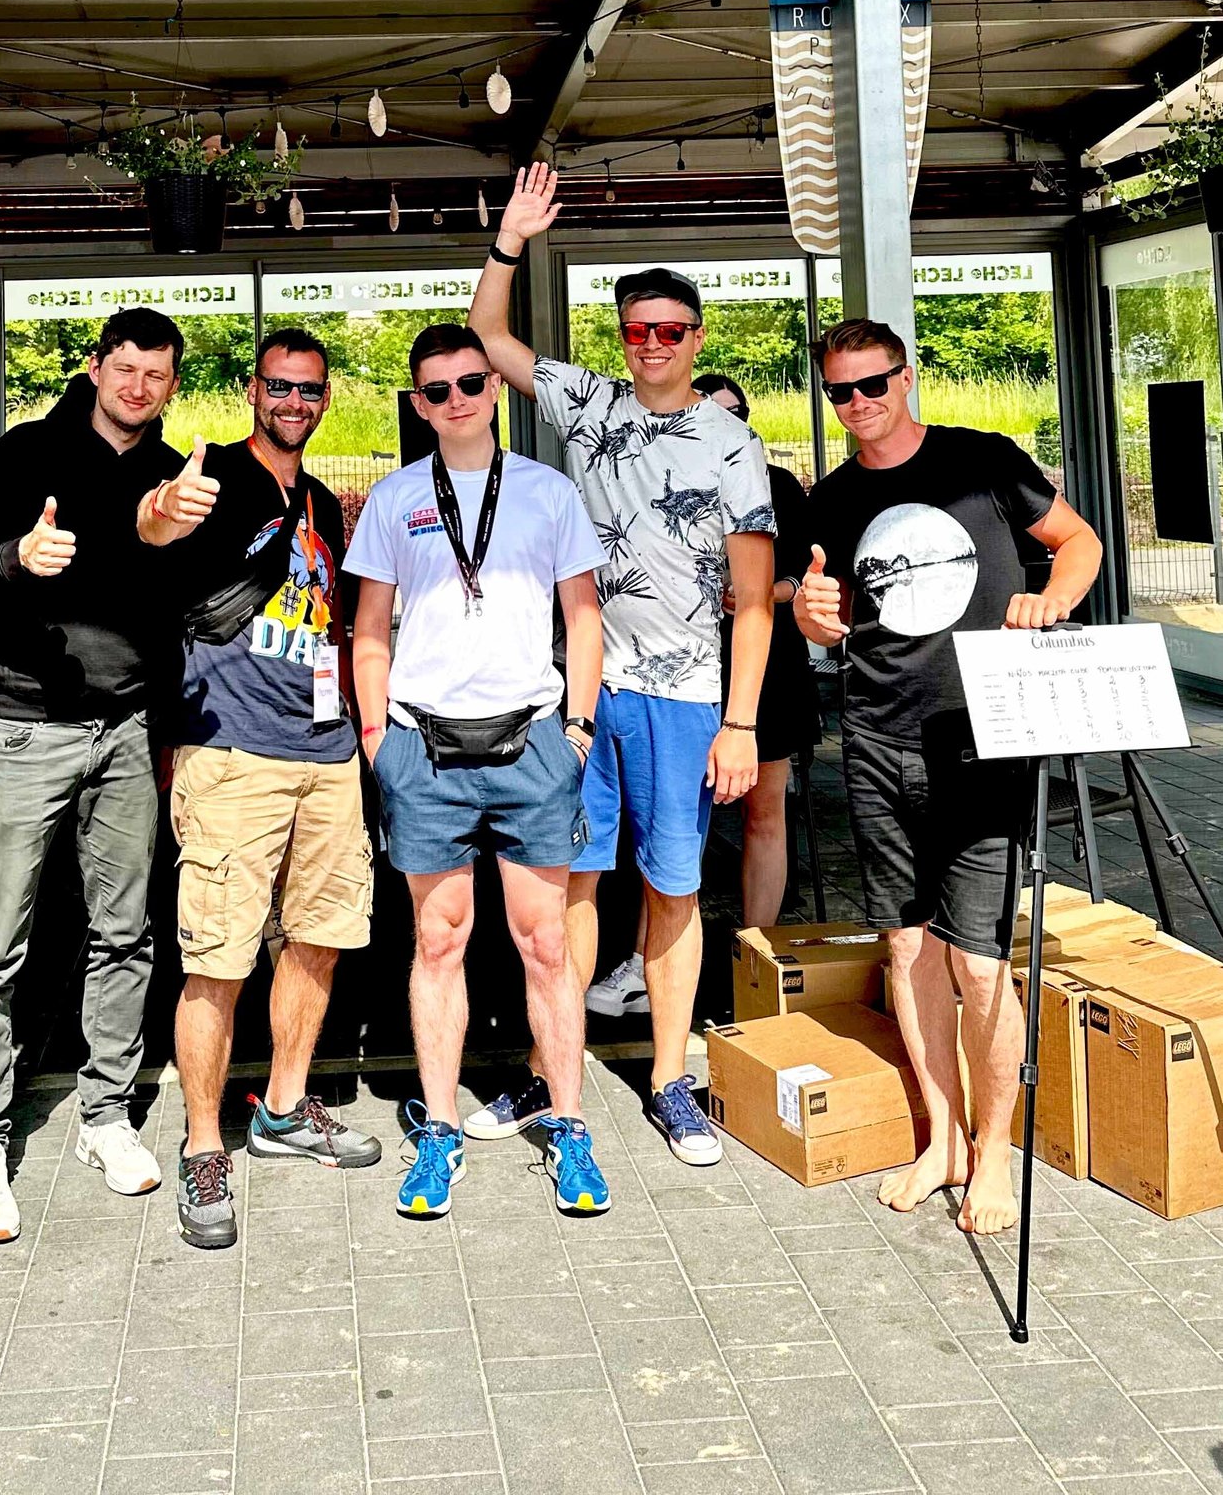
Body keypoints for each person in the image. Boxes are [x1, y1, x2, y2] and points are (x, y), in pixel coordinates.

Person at [470, 163, 775, 1168]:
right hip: (583, 690)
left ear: (695, 338)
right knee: (567, 884)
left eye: (669, 330)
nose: (650, 343)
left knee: (674, 889)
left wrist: (739, 722)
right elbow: (487, 337)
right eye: (636, 328)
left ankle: (668, 1078)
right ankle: (552, 1071)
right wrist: (509, 241)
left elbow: (750, 597)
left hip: (688, 697)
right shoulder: (589, 403)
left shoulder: (732, 446)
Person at [795, 317, 1101, 1234]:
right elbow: (833, 621)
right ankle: (943, 1137)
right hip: (877, 741)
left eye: (873, 384)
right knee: (906, 948)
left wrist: (1051, 597)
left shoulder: (981, 460)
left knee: (977, 960)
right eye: (840, 392)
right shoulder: (835, 497)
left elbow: (1077, 541)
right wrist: (815, 621)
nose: (858, 406)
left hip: (982, 739)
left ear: (907, 375)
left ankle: (995, 1153)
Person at [348, 324, 611, 1218]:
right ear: (417, 404)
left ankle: (569, 1128)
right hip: (424, 744)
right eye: (437, 390)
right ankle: (440, 1135)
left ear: (495, 389)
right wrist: (379, 738)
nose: (457, 399)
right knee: (438, 941)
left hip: (533, 741)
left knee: (545, 944)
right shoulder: (392, 498)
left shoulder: (548, 493)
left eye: (471, 382)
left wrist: (577, 729)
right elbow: (369, 630)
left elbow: (583, 617)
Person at [0, 308, 187, 1243]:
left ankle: (105, 1114)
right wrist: (20, 557)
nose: (137, 387)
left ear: (170, 384)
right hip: (20, 732)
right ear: (95, 367)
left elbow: (179, 607)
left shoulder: (174, 476)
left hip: (126, 731)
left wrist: (169, 537)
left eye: (155, 375)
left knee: (124, 934)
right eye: (124, 368)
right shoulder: (28, 449)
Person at [138, 327, 380, 1249]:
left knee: (318, 941)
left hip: (323, 757)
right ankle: (206, 1143)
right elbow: (155, 531)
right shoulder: (216, 480)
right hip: (231, 753)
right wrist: (163, 509)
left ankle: (282, 1108)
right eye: (279, 387)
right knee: (218, 956)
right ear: (252, 391)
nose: (295, 402)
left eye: (309, 389)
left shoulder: (317, 497)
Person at [590, 371, 819, 1023]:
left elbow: (801, 573)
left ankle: (758, 958)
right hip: (675, 671)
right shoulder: (654, 479)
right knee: (669, 825)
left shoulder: (774, 484)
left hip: (763, 668)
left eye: (735, 414)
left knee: (764, 813)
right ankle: (644, 959)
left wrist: (758, 596)